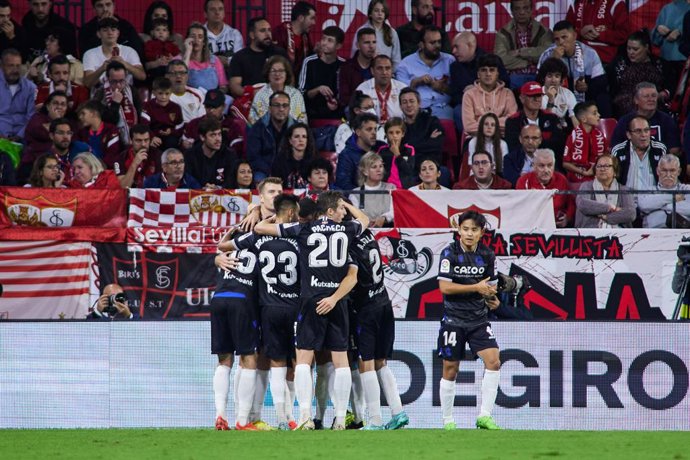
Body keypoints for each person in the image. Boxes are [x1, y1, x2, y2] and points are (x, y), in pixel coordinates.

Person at [253, 191, 370, 430]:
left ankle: (305, 416)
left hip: (311, 301)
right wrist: (347, 203)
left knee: (304, 360)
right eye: (339, 208)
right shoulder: (347, 230)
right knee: (341, 361)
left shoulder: (303, 229)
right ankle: (339, 418)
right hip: (337, 302)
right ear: (329, 211)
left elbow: (260, 229)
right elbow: (365, 220)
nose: (343, 211)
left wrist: (260, 213)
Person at [437, 210, 501, 430]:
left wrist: (494, 300)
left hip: (478, 320)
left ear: (482, 232)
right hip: (453, 319)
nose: (469, 234)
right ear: (458, 230)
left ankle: (484, 416)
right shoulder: (449, 253)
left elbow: (490, 288)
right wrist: (476, 287)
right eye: (465, 229)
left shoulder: (488, 255)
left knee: (494, 361)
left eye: (474, 230)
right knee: (450, 369)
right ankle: (448, 420)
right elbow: (444, 287)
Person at [349, 224, 408, 430]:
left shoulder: (346, 242)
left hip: (366, 308)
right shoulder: (367, 233)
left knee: (366, 362)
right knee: (381, 362)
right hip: (384, 302)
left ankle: (374, 419)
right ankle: (398, 411)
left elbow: (351, 277)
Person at [538, 20, 610, 114]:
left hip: (585, 97)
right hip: (556, 96)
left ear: (574, 36)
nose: (561, 42)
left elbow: (601, 82)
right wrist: (553, 61)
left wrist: (588, 86)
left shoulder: (590, 54)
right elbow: (538, 82)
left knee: (604, 98)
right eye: (557, 39)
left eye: (564, 37)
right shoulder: (547, 55)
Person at [449, 32, 510, 131]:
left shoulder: (493, 61)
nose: (453, 51)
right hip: (470, 107)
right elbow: (455, 96)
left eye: (457, 47)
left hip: (496, 104)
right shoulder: (455, 67)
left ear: (470, 45)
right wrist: (472, 98)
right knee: (457, 111)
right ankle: (470, 140)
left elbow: (506, 84)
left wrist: (478, 88)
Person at [396, 25, 454, 120]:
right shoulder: (406, 63)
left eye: (439, 42)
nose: (437, 46)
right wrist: (415, 82)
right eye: (432, 42)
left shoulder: (449, 60)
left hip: (443, 109)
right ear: (421, 45)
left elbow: (458, 90)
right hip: (416, 111)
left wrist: (443, 88)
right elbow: (399, 92)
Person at [494, 0, 553, 90]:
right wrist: (527, 62)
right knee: (513, 80)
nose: (521, 12)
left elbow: (547, 54)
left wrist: (520, 52)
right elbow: (500, 59)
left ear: (531, 9)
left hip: (538, 75)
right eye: (517, 9)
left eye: (525, 8)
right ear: (512, 11)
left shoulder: (543, 31)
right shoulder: (503, 33)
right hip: (513, 76)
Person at [610, 82, 681, 156]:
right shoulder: (625, 121)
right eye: (646, 96)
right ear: (636, 100)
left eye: (654, 96)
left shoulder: (667, 120)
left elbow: (675, 149)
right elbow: (615, 148)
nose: (651, 99)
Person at [610, 31, 667, 119]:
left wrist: (663, 94)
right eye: (629, 48)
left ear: (646, 47)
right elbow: (613, 89)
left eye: (635, 49)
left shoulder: (659, 64)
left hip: (653, 101)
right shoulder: (619, 63)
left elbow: (670, 86)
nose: (631, 52)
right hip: (625, 103)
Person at [228, 17, 288, 98]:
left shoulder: (280, 53)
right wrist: (253, 94)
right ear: (252, 35)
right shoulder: (239, 57)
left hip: (278, 100)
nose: (268, 34)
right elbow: (235, 86)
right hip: (250, 100)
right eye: (263, 31)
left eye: (269, 30)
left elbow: (290, 79)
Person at [504, 81, 567, 159]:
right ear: (522, 98)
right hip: (522, 164)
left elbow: (558, 144)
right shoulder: (513, 121)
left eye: (539, 96)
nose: (536, 99)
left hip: (548, 162)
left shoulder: (552, 118)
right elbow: (514, 148)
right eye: (532, 96)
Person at [516, 148, 575, 227]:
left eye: (550, 165)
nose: (546, 170)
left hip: (557, 227)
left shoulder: (561, 179)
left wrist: (567, 219)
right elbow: (519, 208)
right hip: (531, 226)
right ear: (534, 166)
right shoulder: (524, 181)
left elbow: (571, 203)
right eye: (541, 166)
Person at [82, 17, 146, 90]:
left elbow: (142, 76)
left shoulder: (129, 51)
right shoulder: (90, 54)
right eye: (105, 30)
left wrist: (124, 64)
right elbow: (88, 83)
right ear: (98, 34)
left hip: (126, 95)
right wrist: (102, 69)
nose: (110, 33)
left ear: (118, 33)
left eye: (113, 30)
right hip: (99, 97)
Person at [461, 53, 517, 136]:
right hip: (476, 138)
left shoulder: (507, 93)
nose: (488, 74)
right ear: (478, 74)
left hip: (502, 138)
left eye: (492, 70)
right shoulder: (469, 95)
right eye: (484, 70)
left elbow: (511, 123)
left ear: (497, 73)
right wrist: (498, 123)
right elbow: (469, 127)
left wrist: (481, 120)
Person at [247, 91, 297, 181]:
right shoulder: (257, 128)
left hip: (290, 170)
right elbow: (253, 157)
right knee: (258, 178)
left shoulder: (296, 128)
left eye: (285, 105)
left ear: (289, 108)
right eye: (277, 105)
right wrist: (271, 171)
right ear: (270, 108)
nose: (281, 109)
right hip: (264, 171)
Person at [575, 154, 636, 228]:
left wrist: (606, 217)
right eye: (599, 166)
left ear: (615, 172)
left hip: (619, 234)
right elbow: (583, 204)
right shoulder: (586, 186)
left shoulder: (624, 190)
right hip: (590, 232)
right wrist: (610, 208)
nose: (602, 169)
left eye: (607, 166)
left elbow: (630, 213)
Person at [299, 26, 345, 121]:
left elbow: (345, 95)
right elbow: (301, 93)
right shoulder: (309, 62)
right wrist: (318, 89)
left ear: (339, 46)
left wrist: (336, 102)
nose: (324, 43)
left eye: (330, 40)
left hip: (337, 119)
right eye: (323, 39)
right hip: (311, 117)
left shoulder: (343, 65)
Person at [92, 61, 142, 146]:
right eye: (114, 82)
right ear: (108, 78)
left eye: (121, 81)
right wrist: (115, 103)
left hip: (133, 137)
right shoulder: (100, 94)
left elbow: (139, 114)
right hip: (109, 137)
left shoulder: (132, 91)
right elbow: (108, 123)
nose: (118, 85)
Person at [611, 116, 667, 189]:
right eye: (638, 131)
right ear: (629, 135)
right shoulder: (618, 151)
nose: (643, 135)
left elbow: (670, 176)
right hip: (625, 198)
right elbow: (611, 179)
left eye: (646, 130)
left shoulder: (660, 149)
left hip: (654, 198)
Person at [399, 87, 445, 174]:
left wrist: (409, 146)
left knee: (444, 173)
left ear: (419, 103)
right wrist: (427, 140)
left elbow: (436, 145)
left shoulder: (432, 121)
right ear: (400, 106)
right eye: (404, 102)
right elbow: (400, 151)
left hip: (431, 167)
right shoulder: (399, 127)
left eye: (412, 101)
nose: (408, 105)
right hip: (408, 169)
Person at [79, 0, 144, 62]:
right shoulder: (86, 29)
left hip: (124, 65)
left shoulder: (126, 26)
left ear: (114, 6)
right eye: (100, 6)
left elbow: (137, 50)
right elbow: (84, 55)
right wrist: (101, 27)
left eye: (108, 4)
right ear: (94, 9)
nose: (105, 9)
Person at [562, 101, 607, 189]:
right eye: (594, 113)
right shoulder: (573, 136)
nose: (599, 115)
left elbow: (606, 156)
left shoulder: (600, 136)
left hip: (597, 179)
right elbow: (565, 163)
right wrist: (584, 173)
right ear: (584, 119)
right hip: (576, 180)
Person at [250, 55, 306, 124]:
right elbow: (254, 122)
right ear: (268, 73)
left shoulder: (296, 94)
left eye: (281, 70)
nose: (277, 74)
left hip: (292, 133)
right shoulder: (260, 95)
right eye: (273, 71)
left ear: (286, 73)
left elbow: (302, 121)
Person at [23, 91, 70, 174]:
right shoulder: (37, 119)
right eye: (55, 103)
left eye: (63, 104)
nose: (59, 107)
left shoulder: (69, 122)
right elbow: (44, 134)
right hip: (35, 164)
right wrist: (56, 120)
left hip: (60, 163)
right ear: (48, 106)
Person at [638, 154, 690, 227]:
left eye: (672, 170)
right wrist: (673, 198)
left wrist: (658, 205)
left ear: (678, 172)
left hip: (680, 232)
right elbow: (643, 205)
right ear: (658, 171)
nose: (668, 174)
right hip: (653, 232)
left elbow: (688, 209)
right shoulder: (648, 190)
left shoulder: (686, 189)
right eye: (664, 170)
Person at [185, 117, 237, 189]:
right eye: (213, 135)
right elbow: (187, 180)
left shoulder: (229, 155)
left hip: (222, 196)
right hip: (195, 196)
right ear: (202, 137)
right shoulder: (190, 156)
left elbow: (231, 180)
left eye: (219, 134)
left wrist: (218, 188)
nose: (218, 139)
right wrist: (201, 190)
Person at [336, 113, 381, 191]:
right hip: (356, 200)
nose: (374, 133)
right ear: (358, 132)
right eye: (369, 129)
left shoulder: (380, 149)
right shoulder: (346, 155)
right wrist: (366, 194)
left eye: (375, 129)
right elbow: (343, 184)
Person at [352, 0, 401, 70]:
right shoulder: (361, 31)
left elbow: (396, 59)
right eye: (376, 10)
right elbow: (354, 53)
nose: (380, 14)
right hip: (365, 70)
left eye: (383, 11)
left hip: (385, 72)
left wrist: (392, 74)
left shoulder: (392, 32)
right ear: (370, 14)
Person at [356, 55, 406, 123]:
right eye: (380, 68)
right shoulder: (362, 90)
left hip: (397, 130)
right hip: (370, 130)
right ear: (372, 71)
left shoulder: (402, 89)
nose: (384, 72)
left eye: (387, 68)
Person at [350, 152, 396, 227]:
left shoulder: (391, 188)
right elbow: (355, 216)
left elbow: (394, 211)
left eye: (381, 166)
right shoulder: (355, 193)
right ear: (365, 172)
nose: (379, 170)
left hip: (388, 230)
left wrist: (384, 218)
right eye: (374, 167)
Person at [0, 49, 36, 140]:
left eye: (18, 66)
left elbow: (32, 117)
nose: (15, 70)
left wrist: (19, 136)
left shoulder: (31, 88)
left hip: (23, 137)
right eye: (11, 66)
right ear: (2, 66)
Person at [273, 1, 316, 75]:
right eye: (311, 18)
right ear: (301, 18)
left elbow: (308, 62)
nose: (314, 22)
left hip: (299, 83)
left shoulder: (306, 37)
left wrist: (315, 52)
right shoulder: (280, 32)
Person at [183, 22, 228, 94]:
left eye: (200, 37)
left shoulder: (214, 60)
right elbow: (181, 79)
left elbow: (223, 86)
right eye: (193, 36)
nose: (196, 39)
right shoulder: (179, 60)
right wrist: (188, 51)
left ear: (204, 42)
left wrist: (216, 96)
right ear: (187, 39)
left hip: (212, 100)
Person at [654, 0, 690, 88]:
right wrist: (658, 29)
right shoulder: (666, 9)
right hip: (666, 61)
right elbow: (655, 40)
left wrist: (680, 32)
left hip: (684, 62)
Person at [338, 28, 377, 109]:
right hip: (354, 109)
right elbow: (343, 98)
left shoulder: (379, 66)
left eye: (374, 42)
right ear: (357, 45)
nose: (371, 46)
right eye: (367, 42)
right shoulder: (346, 67)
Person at [141, 77, 184, 150]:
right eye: (160, 93)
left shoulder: (176, 107)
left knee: (172, 142)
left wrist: (171, 131)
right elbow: (144, 125)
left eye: (167, 93)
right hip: (152, 135)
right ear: (154, 93)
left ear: (171, 93)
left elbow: (180, 125)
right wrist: (152, 137)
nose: (164, 97)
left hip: (170, 136)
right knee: (152, 145)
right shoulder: (147, 106)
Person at [76, 100, 121, 169]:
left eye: (83, 113)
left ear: (94, 113)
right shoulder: (81, 133)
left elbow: (112, 155)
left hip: (106, 171)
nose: (80, 117)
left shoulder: (111, 130)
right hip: (86, 170)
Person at [536, 57, 577, 129]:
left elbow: (574, 118)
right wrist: (551, 100)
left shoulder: (568, 94)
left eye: (557, 76)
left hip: (562, 131)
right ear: (543, 78)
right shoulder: (537, 95)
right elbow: (546, 122)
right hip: (544, 130)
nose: (553, 80)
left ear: (561, 79)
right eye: (549, 76)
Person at [116, 124, 162, 188]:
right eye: (138, 140)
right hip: (131, 195)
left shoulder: (158, 155)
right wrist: (134, 164)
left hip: (152, 195)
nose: (143, 144)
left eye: (146, 140)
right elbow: (123, 187)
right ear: (131, 141)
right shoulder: (121, 158)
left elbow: (162, 184)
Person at [271, 122, 315, 189]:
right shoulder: (279, 161)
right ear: (290, 140)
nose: (301, 140)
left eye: (304, 137)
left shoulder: (315, 161)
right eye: (297, 136)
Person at [377, 117, 416, 189]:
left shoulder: (409, 149)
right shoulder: (382, 150)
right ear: (386, 134)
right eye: (391, 133)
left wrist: (397, 155)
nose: (394, 136)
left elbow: (409, 171)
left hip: (404, 189)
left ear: (403, 134)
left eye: (397, 132)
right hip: (385, 189)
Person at [204, 0, 243, 68]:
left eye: (220, 9)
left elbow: (240, 60)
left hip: (230, 75)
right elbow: (195, 61)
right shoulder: (199, 35)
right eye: (213, 9)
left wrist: (227, 62)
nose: (217, 12)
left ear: (224, 13)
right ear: (205, 14)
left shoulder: (234, 34)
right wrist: (217, 61)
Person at [143, 18, 181, 82]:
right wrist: (158, 57)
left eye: (164, 30)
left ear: (168, 34)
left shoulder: (171, 45)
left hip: (169, 68)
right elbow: (147, 54)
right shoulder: (150, 44)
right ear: (152, 32)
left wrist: (172, 59)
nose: (161, 32)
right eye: (158, 30)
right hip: (156, 69)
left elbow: (178, 56)